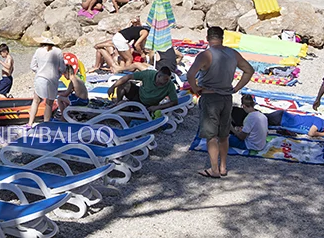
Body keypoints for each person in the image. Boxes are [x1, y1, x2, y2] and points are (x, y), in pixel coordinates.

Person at [187, 26, 254, 179]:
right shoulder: (233, 53)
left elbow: (191, 74)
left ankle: (214, 169)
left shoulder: (205, 55)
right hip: (227, 97)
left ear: (207, 38)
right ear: (223, 38)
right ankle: (223, 167)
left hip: (210, 97)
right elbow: (249, 70)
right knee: (224, 134)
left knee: (211, 135)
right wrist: (236, 88)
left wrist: (196, 88)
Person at [27, 36, 66, 128]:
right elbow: (63, 68)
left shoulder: (38, 51)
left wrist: (39, 71)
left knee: (36, 101)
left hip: (40, 78)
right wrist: (57, 74)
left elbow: (32, 66)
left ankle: (30, 123)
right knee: (49, 103)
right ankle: (46, 124)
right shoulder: (58, 51)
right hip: (52, 79)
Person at [108, 66, 179, 112]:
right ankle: (118, 102)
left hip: (147, 105)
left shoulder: (169, 85)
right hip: (139, 94)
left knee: (122, 106)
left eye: (168, 79)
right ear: (158, 76)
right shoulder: (149, 74)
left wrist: (157, 107)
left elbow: (174, 102)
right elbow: (128, 77)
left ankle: (119, 105)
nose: (167, 82)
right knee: (125, 84)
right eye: (165, 80)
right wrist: (113, 87)